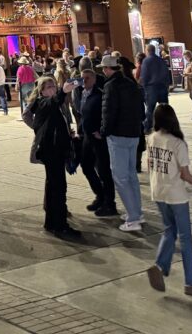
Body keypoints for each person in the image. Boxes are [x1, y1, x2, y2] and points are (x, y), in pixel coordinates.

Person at [146, 104, 192, 297]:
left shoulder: (151, 138)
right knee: (185, 238)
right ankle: (190, 281)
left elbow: (150, 166)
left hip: (158, 191)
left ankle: (159, 266)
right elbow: (184, 174)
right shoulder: (177, 143)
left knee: (169, 230)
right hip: (176, 195)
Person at [26, 75, 81, 238]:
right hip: (52, 151)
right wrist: (63, 92)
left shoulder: (52, 104)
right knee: (58, 188)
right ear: (41, 91)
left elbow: (57, 119)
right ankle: (60, 224)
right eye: (49, 87)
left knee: (53, 186)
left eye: (54, 86)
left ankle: (51, 222)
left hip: (56, 149)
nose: (52, 88)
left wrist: (67, 133)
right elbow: (52, 102)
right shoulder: (43, 103)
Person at [100, 54, 146, 232]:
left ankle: (133, 217)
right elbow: (141, 110)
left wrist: (104, 131)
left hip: (118, 135)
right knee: (131, 175)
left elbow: (108, 112)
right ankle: (136, 211)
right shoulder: (130, 83)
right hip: (134, 133)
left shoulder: (111, 86)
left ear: (106, 69)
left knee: (120, 177)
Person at [75, 68, 115, 216]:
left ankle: (110, 203)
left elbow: (106, 115)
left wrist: (102, 131)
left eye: (87, 78)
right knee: (86, 166)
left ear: (93, 79)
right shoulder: (82, 94)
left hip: (98, 138)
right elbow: (82, 115)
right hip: (86, 136)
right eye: (82, 78)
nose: (84, 81)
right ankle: (100, 195)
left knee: (104, 170)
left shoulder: (99, 95)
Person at [140, 44, 171, 133]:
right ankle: (166, 127)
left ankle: (147, 128)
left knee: (150, 109)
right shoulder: (161, 60)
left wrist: (144, 87)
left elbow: (144, 75)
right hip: (162, 87)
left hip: (151, 88)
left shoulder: (146, 61)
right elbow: (166, 73)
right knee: (165, 109)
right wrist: (167, 86)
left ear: (147, 50)